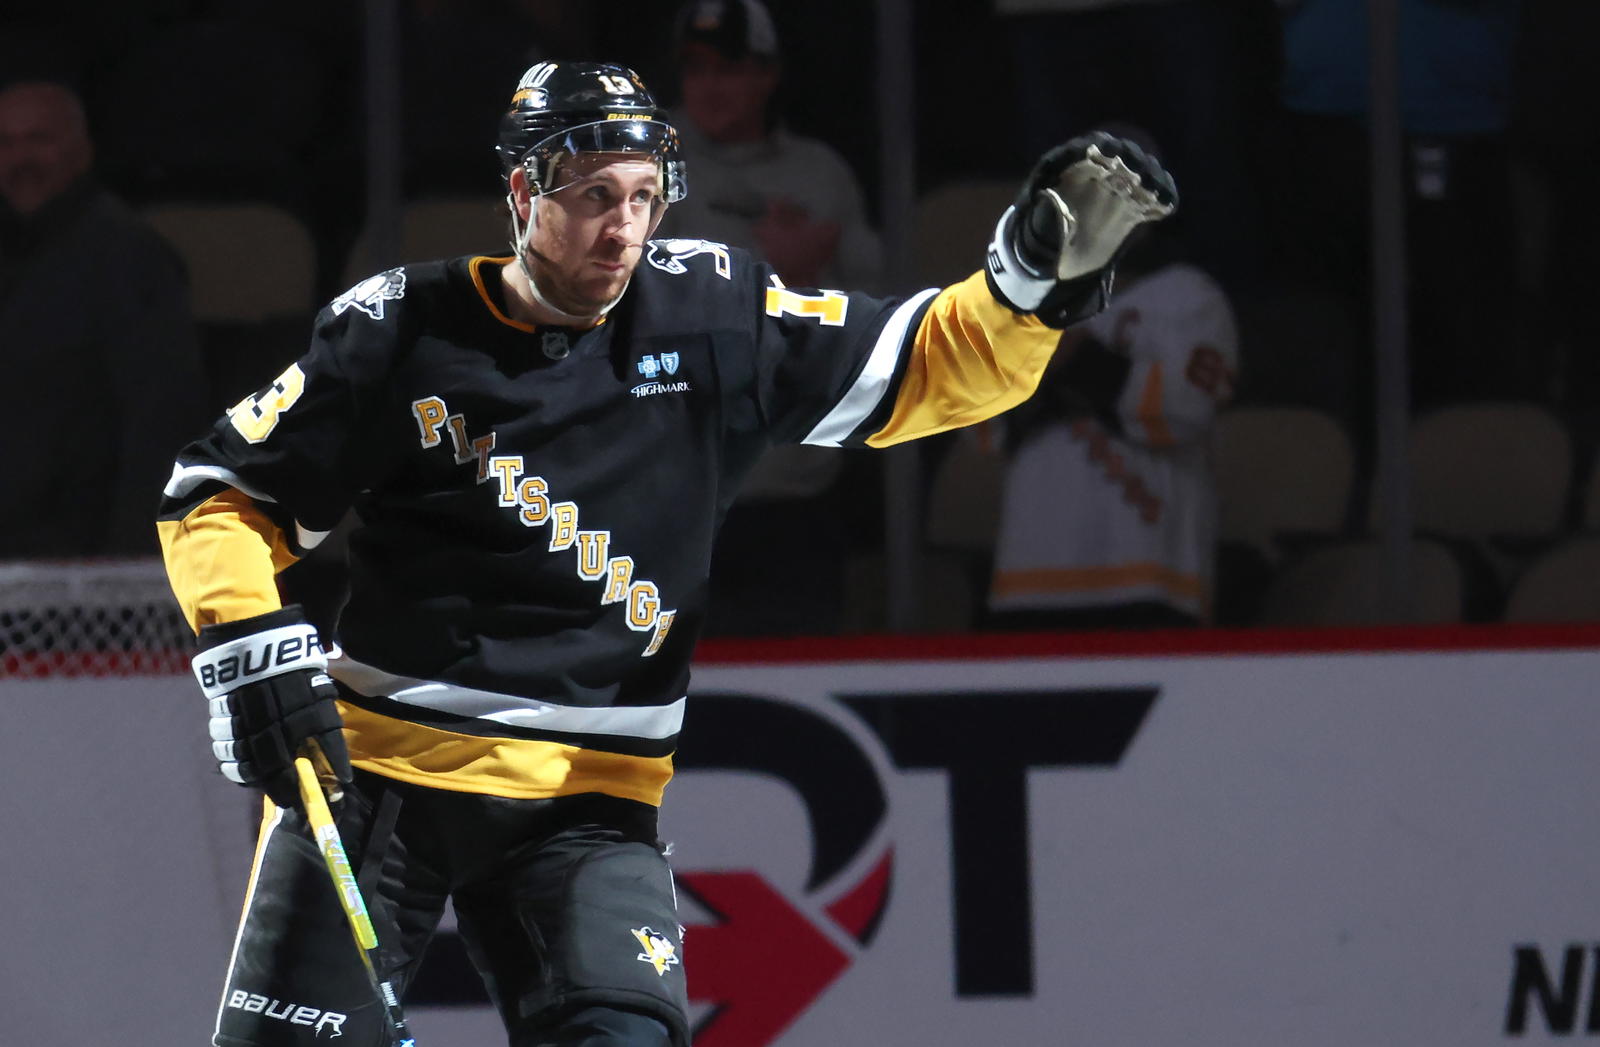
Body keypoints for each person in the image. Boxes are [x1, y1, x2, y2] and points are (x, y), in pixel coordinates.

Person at [157, 61, 1175, 1046]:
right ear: (522, 193)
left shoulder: (711, 314)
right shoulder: (400, 327)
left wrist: (1026, 279)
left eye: (645, 195)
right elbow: (218, 493)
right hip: (377, 776)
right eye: (595, 195)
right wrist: (246, 640)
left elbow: (925, 365)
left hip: (591, 803)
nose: (625, 226)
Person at [985, 136, 1237, 629]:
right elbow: (983, 429)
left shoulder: (1189, 295)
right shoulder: (1026, 296)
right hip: (1030, 573)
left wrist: (1077, 359)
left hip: (1148, 570)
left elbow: (1183, 410)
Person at [0, 78, 206, 558]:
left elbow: (161, 424)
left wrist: (126, 567)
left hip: (79, 558)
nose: (20, 158)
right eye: (5, 143)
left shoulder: (130, 257)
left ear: (82, 152)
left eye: (38, 140)